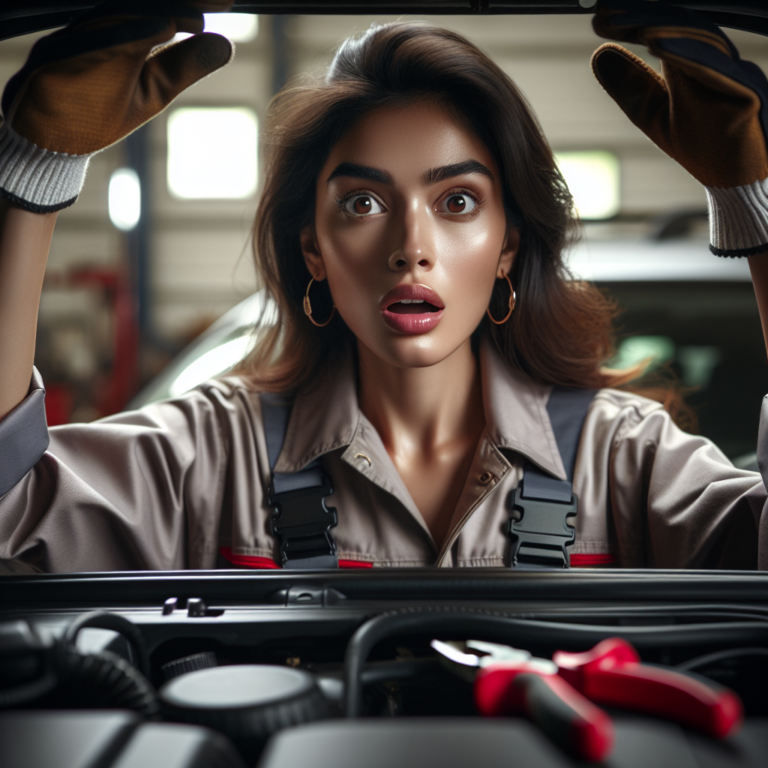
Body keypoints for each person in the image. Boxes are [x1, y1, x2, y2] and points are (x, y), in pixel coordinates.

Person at [1, 0, 767, 573]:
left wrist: (756, 211)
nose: (411, 249)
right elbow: (11, 508)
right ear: (315, 249)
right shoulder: (213, 452)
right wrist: (33, 179)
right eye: (363, 203)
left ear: (508, 247)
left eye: (457, 201)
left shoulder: (620, 455)